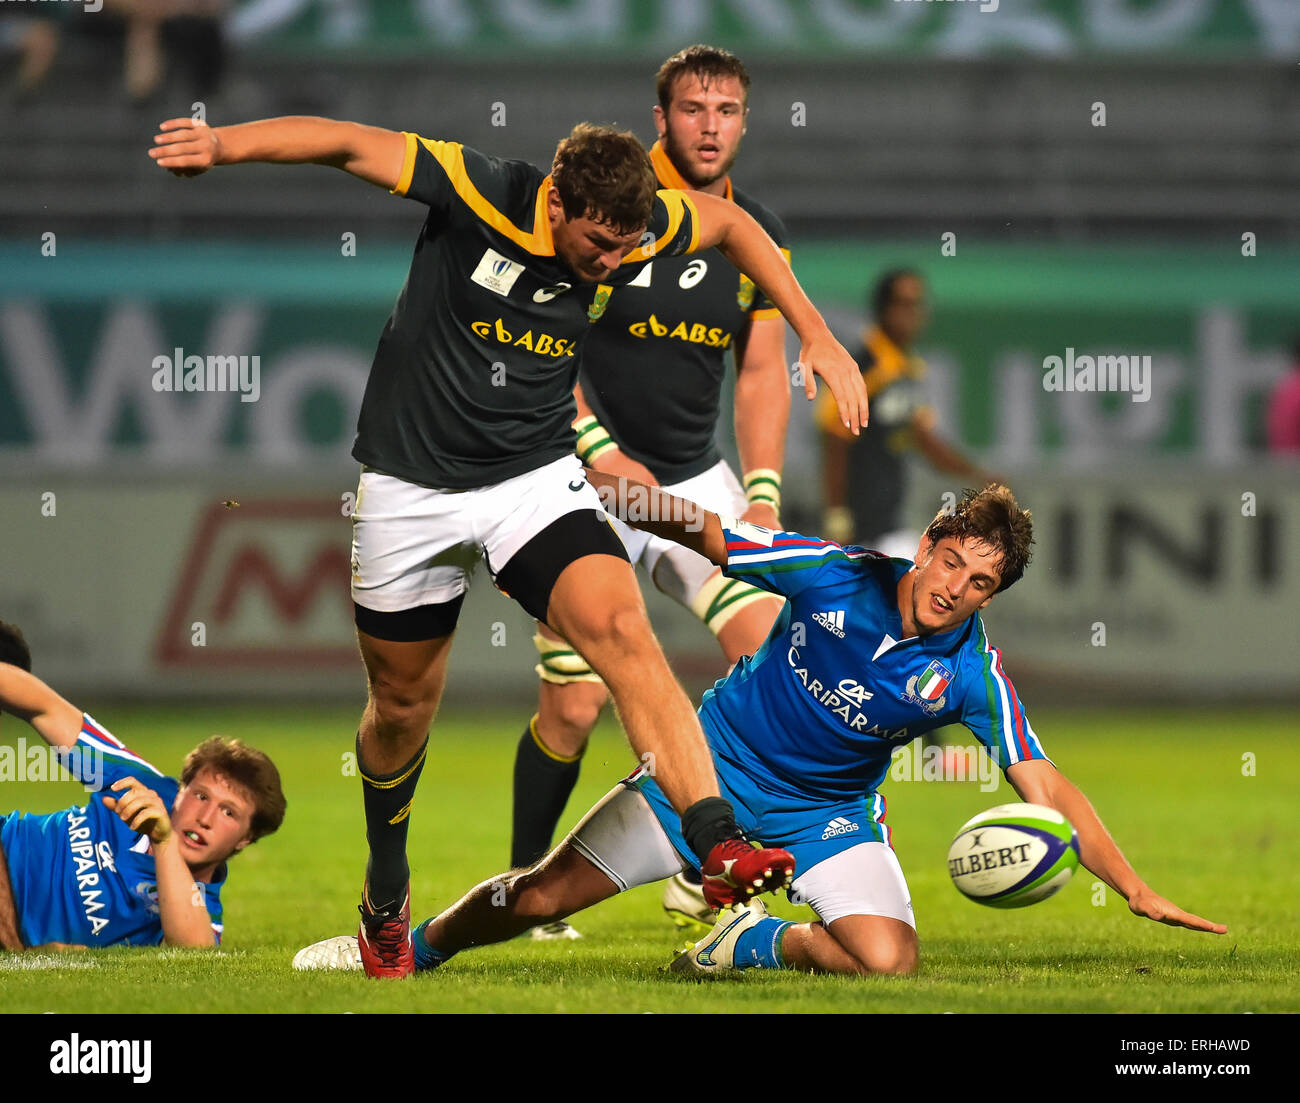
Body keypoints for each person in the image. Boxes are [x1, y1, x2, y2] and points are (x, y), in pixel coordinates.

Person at [148, 105, 868, 977]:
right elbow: (345, 142)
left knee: (624, 635)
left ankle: (716, 843)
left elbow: (735, 225)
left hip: (531, 479)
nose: (613, 266)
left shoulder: (638, 231)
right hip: (411, 490)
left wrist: (815, 330)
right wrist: (222, 146)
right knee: (403, 709)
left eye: (627, 248)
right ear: (556, 203)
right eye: (599, 245)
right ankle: (386, 884)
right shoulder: (477, 188)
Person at [291, 473, 1224, 976]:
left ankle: (746, 941)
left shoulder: (971, 671)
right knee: (539, 898)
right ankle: (409, 948)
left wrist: (1134, 887)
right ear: (929, 544)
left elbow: (1044, 784)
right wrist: (607, 493)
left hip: (827, 817)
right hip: (709, 770)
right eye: (951, 561)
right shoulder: (834, 572)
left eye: (979, 581)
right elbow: (712, 535)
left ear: (992, 593)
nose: (953, 587)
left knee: (889, 960)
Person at [511, 45, 790, 940]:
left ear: (746, 121)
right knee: (575, 703)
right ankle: (526, 887)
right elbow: (545, 344)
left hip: (687, 484)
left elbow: (760, 371)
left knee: (781, 657)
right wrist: (593, 447)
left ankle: (708, 858)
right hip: (583, 481)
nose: (711, 126)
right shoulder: (618, 214)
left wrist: (764, 492)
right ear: (661, 118)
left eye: (728, 110)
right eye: (694, 109)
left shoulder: (754, 228)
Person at [0, 619, 285, 951]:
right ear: (180, 791)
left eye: (229, 812)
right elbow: (45, 709)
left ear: (245, 839)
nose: (205, 817)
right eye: (201, 795)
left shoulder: (201, 908)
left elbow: (194, 953)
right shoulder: (140, 783)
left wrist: (163, 842)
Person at [820, 269, 992, 558]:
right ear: (883, 308)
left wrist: (977, 476)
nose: (913, 313)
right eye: (904, 304)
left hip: (890, 524)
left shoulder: (907, 368)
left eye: (918, 304)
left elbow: (924, 441)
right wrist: (837, 514)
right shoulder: (864, 366)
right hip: (860, 530)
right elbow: (835, 438)